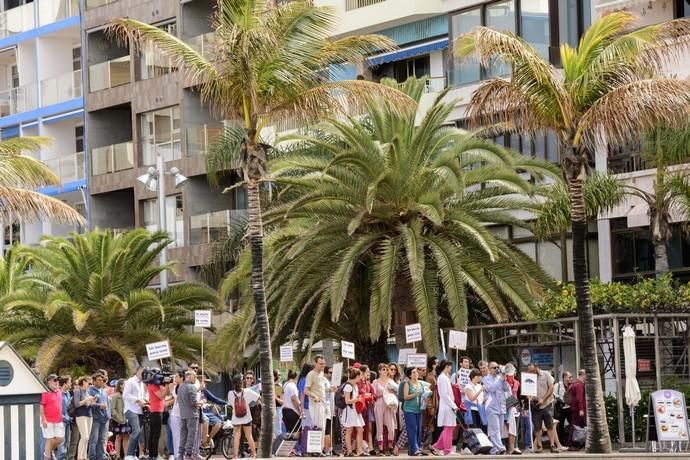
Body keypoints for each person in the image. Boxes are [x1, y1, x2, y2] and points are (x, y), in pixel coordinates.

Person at [526, 363, 558, 453]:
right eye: (529, 372)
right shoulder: (528, 377)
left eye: (532, 371)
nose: (531, 373)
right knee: (537, 427)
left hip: (546, 404)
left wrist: (543, 399)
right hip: (535, 405)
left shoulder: (546, 374)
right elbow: (526, 390)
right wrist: (528, 397)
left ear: (536, 368)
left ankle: (552, 445)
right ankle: (539, 446)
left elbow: (551, 388)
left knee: (550, 425)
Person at [228, 374, 260, 458]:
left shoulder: (230, 393)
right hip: (246, 417)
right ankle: (254, 454)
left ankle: (235, 456)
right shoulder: (247, 391)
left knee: (236, 437)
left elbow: (231, 404)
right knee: (249, 436)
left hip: (236, 418)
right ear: (241, 382)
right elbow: (258, 398)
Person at [482, 362, 509, 455]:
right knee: (495, 428)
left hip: (501, 406)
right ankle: (501, 447)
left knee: (500, 430)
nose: (496, 369)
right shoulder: (485, 379)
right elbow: (491, 388)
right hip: (491, 407)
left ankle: (494, 449)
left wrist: (505, 380)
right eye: (494, 367)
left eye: (497, 367)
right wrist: (501, 379)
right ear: (489, 369)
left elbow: (506, 389)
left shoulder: (500, 378)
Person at [431, 360, 457, 455]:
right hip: (447, 406)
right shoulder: (442, 378)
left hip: (448, 405)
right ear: (446, 366)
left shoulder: (445, 377)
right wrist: (453, 405)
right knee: (448, 427)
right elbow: (444, 395)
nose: (451, 368)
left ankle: (437, 446)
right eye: (450, 366)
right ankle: (447, 450)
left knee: (449, 427)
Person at [372, 363, 397, 455]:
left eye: (386, 369)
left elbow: (396, 391)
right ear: (379, 371)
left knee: (391, 427)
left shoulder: (391, 381)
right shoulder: (375, 382)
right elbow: (373, 395)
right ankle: (381, 448)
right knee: (379, 427)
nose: (386, 371)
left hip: (389, 404)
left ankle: (390, 446)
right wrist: (383, 394)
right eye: (383, 369)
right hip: (379, 403)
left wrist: (392, 392)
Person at [123, 367, 146, 460]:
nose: (144, 374)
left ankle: (132, 454)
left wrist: (145, 401)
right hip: (130, 410)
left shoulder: (142, 383)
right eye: (143, 372)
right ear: (138, 371)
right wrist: (137, 400)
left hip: (139, 411)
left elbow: (142, 396)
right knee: (136, 431)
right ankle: (128, 454)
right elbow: (125, 395)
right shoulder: (130, 381)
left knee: (138, 432)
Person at [341, 367, 365, 456]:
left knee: (360, 429)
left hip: (355, 411)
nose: (361, 378)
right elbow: (347, 401)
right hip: (350, 411)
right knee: (349, 430)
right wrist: (357, 399)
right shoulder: (348, 386)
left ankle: (359, 450)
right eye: (360, 376)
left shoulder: (355, 386)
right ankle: (350, 451)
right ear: (357, 376)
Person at [87, 373, 110, 460]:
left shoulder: (103, 391)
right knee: (94, 440)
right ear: (93, 381)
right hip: (95, 419)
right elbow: (89, 404)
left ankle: (100, 457)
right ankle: (92, 457)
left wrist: (109, 415)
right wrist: (99, 405)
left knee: (102, 440)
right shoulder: (90, 391)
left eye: (102, 380)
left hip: (105, 419)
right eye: (99, 380)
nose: (101, 382)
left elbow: (108, 404)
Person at [178, 369, 200, 460]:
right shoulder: (192, 387)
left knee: (183, 435)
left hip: (183, 414)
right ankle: (188, 454)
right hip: (192, 414)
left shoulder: (180, 387)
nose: (195, 379)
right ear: (190, 377)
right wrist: (200, 403)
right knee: (191, 435)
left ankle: (180, 455)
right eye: (195, 377)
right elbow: (193, 402)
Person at [41, 374, 64, 460]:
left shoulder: (59, 391)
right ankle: (47, 457)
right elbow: (41, 406)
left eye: (58, 380)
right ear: (49, 382)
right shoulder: (45, 392)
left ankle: (48, 451)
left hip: (58, 420)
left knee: (60, 439)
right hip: (48, 420)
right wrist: (44, 419)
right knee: (49, 439)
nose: (57, 382)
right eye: (55, 380)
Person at [401, 367, 423, 456]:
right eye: (413, 372)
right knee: (412, 429)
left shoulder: (421, 383)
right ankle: (415, 449)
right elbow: (405, 397)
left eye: (416, 372)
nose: (416, 374)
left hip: (419, 409)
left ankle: (413, 449)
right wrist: (415, 394)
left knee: (418, 430)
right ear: (409, 375)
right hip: (409, 410)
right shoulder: (407, 384)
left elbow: (423, 394)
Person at [145, 373, 167, 460]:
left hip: (156, 411)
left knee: (153, 434)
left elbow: (166, 393)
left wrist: (166, 385)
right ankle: (154, 454)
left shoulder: (157, 386)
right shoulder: (152, 386)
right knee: (155, 434)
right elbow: (162, 396)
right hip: (156, 412)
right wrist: (167, 387)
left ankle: (152, 454)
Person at [73, 376, 96, 460]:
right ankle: (79, 457)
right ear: (83, 382)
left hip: (89, 415)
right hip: (81, 415)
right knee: (84, 437)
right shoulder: (77, 391)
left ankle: (84, 456)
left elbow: (87, 405)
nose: (90, 385)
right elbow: (76, 404)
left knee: (87, 438)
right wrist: (87, 400)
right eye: (89, 383)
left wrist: (92, 402)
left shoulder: (87, 391)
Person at [305, 355, 327, 434]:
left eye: (324, 364)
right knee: (318, 429)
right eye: (321, 364)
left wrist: (330, 390)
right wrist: (314, 396)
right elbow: (306, 391)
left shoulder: (321, 373)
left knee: (323, 428)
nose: (323, 366)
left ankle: (321, 446)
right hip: (315, 405)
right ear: (315, 363)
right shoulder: (311, 374)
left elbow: (320, 389)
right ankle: (318, 446)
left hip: (322, 404)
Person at [504, 364, 522, 455]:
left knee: (515, 426)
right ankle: (507, 447)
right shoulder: (504, 382)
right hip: (505, 405)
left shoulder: (517, 382)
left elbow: (519, 395)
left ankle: (515, 446)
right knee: (506, 428)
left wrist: (522, 407)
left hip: (515, 405)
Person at [111, 379, 131, 460]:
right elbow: (112, 409)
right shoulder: (116, 396)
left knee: (126, 437)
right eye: (125, 384)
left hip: (126, 419)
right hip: (118, 420)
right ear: (120, 385)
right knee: (118, 437)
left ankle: (126, 456)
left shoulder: (127, 395)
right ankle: (118, 456)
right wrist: (118, 418)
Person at [568, 369, 587, 449]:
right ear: (583, 375)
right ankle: (572, 443)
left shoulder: (576, 384)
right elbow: (579, 398)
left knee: (578, 426)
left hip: (576, 408)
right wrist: (581, 409)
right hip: (578, 409)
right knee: (575, 426)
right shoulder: (579, 385)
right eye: (586, 375)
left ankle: (577, 442)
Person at [554, 371, 573, 446]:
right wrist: (560, 399)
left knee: (573, 424)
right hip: (560, 408)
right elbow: (554, 394)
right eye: (570, 377)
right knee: (560, 426)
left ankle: (570, 441)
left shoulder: (571, 386)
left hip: (569, 408)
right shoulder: (558, 385)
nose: (571, 378)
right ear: (565, 378)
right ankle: (560, 443)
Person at [57, 375, 72, 460]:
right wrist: (63, 417)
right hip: (61, 421)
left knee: (67, 441)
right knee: (61, 442)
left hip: (68, 420)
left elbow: (69, 407)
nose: (71, 383)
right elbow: (57, 408)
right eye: (69, 382)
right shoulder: (58, 393)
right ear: (65, 383)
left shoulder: (68, 393)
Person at [274, 370, 284, 438]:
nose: (280, 376)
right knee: (276, 431)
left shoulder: (278, 386)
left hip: (277, 409)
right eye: (279, 375)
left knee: (277, 431)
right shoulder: (275, 386)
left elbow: (281, 401)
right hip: (274, 410)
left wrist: (275, 397)